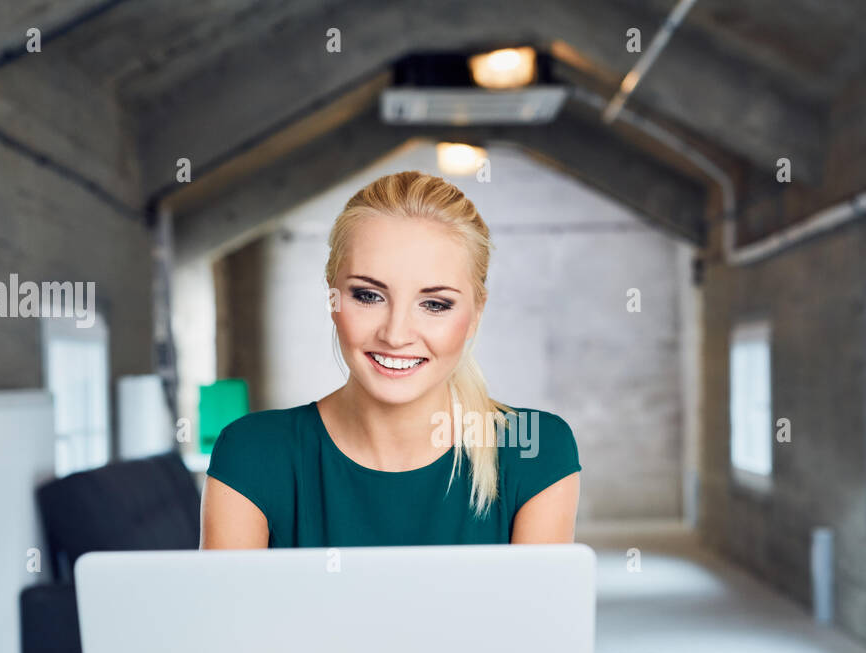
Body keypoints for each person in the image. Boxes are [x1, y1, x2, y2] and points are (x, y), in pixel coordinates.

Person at [199, 170, 581, 549]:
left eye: (435, 304)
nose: (396, 335)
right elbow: (229, 611)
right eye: (368, 296)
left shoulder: (533, 449)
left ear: (476, 312)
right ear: (333, 298)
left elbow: (536, 612)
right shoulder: (252, 454)